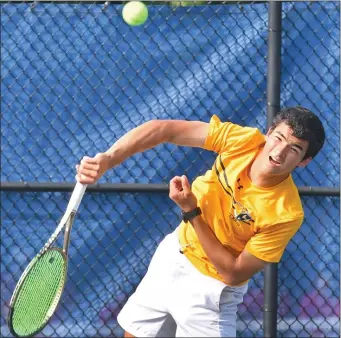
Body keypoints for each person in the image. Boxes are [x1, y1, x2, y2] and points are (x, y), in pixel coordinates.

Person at [76, 106, 325, 337]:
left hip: (212, 290)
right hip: (174, 256)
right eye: (278, 138)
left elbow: (233, 272)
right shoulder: (242, 140)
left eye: (294, 149)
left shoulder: (286, 213)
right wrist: (108, 159)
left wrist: (192, 213)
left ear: (304, 161)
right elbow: (164, 129)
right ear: (268, 133)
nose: (279, 152)